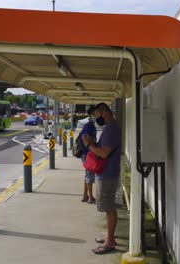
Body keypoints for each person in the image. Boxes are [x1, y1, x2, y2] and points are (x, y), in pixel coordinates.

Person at [82, 102, 121, 255]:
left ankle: (110, 242)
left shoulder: (111, 129)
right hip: (107, 172)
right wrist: (92, 143)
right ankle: (109, 236)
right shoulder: (109, 128)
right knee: (108, 207)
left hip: (108, 174)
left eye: (96, 114)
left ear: (104, 111)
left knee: (109, 208)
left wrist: (88, 145)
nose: (96, 118)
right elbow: (103, 148)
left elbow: (104, 153)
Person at [80, 107, 97, 203]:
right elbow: (85, 139)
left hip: (88, 153)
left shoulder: (92, 126)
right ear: (90, 115)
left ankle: (85, 195)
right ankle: (90, 197)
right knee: (89, 175)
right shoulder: (88, 127)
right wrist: (93, 142)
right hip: (87, 154)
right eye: (94, 114)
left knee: (87, 175)